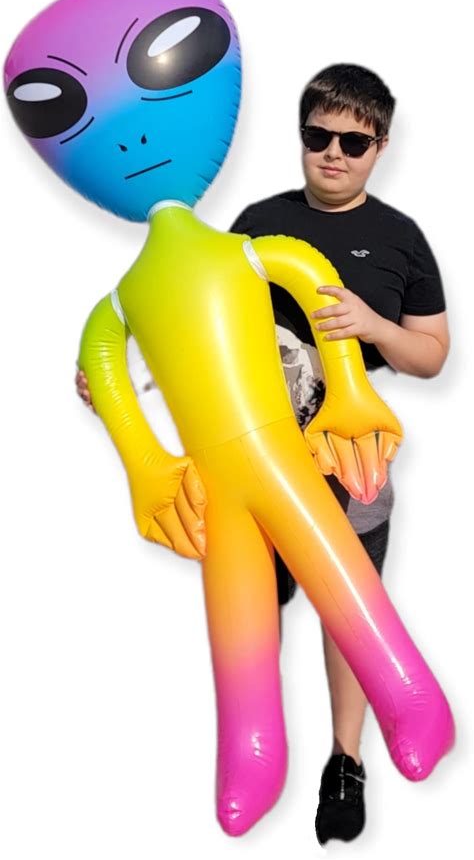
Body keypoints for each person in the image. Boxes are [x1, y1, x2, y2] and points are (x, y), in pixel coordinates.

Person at [76, 62, 449, 844]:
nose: (333, 153)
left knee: (349, 611)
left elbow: (432, 354)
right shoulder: (253, 226)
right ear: (302, 137)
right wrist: (129, 415)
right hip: (238, 459)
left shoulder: (402, 241)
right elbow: (198, 328)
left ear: (380, 146)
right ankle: (253, 758)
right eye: (318, 136)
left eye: (353, 142)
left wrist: (370, 336)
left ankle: (347, 758)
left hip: (345, 455)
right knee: (251, 608)